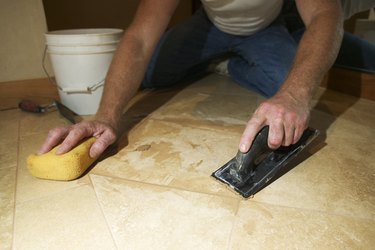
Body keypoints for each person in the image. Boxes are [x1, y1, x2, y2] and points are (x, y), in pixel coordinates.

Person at [39, 0, 344, 158]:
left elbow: (326, 14)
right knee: (152, 75)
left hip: (265, 28)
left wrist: (292, 95)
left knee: (292, 83)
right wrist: (105, 116)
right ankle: (217, 57)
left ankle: (228, 66)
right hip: (209, 26)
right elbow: (141, 38)